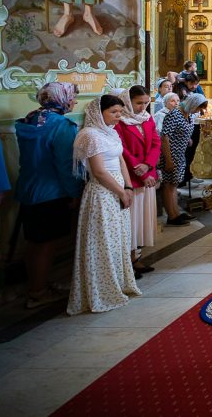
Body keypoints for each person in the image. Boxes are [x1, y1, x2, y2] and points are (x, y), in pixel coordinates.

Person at [68, 96, 142, 314]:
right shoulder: (90, 135)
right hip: (102, 193)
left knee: (118, 238)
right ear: (98, 113)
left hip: (118, 190)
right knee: (103, 240)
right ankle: (101, 290)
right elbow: (99, 171)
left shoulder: (110, 132)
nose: (118, 116)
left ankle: (118, 282)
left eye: (120, 112)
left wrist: (128, 187)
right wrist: (120, 191)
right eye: (113, 112)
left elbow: (120, 160)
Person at [14, 83, 83, 308]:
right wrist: (74, 192)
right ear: (61, 99)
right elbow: (66, 165)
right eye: (72, 98)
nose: (74, 102)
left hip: (28, 189)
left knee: (34, 242)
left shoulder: (30, 119)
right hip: (52, 191)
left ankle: (37, 285)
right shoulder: (61, 125)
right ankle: (38, 292)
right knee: (46, 244)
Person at [114, 87, 160, 278]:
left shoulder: (147, 118)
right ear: (127, 101)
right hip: (131, 176)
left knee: (141, 220)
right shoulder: (119, 121)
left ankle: (135, 256)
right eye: (138, 103)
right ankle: (126, 261)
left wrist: (148, 165)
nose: (143, 107)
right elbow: (121, 149)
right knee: (130, 221)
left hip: (147, 174)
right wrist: (140, 170)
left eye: (146, 103)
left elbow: (156, 143)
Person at [158, 94, 205, 226]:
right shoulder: (174, 114)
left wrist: (187, 138)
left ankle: (176, 213)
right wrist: (168, 160)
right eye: (197, 108)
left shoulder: (189, 114)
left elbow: (183, 130)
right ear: (192, 104)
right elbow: (165, 137)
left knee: (174, 185)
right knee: (168, 185)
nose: (197, 111)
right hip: (170, 154)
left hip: (180, 154)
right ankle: (172, 216)